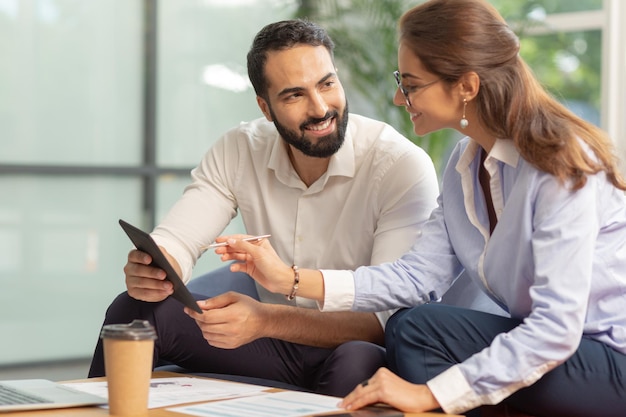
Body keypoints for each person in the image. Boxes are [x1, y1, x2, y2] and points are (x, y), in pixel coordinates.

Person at [216, 1, 626, 416]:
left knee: (421, 342)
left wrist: (429, 395)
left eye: (410, 84)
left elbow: (556, 331)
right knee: (415, 326)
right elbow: (418, 276)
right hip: (554, 348)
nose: (398, 97)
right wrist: (290, 279)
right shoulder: (464, 164)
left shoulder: (561, 165)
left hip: (607, 358)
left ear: (466, 86)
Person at [87, 19, 444, 396]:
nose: (321, 108)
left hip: (348, 344)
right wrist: (160, 268)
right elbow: (179, 238)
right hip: (268, 342)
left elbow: (381, 322)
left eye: (327, 83)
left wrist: (266, 320)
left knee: (358, 361)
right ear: (266, 107)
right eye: (294, 95)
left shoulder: (399, 165)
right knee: (134, 310)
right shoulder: (241, 149)